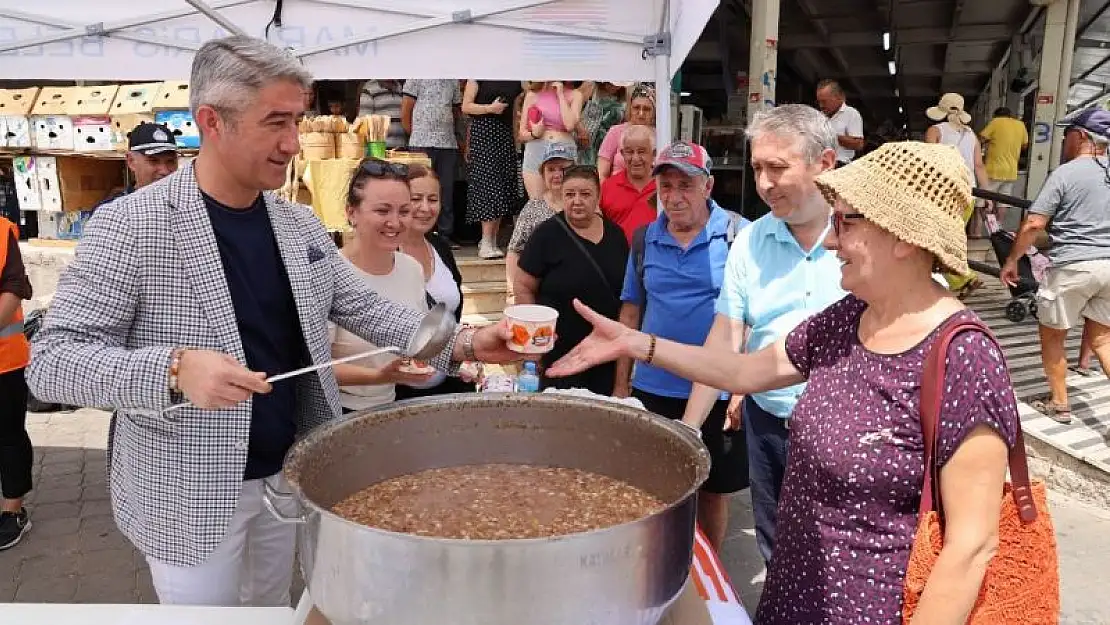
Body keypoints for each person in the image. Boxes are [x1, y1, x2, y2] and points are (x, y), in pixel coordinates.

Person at [25, 36, 520, 607]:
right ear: (213, 122)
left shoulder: (298, 225)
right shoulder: (131, 225)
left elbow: (366, 306)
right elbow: (54, 362)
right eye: (276, 123)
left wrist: (468, 340)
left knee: (271, 608)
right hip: (190, 494)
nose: (293, 143)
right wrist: (174, 368)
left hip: (288, 475)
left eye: (299, 119)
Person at [549, 141, 1020, 624]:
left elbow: (971, 546)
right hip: (793, 598)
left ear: (902, 236)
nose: (832, 241)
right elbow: (742, 370)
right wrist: (638, 343)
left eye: (846, 222)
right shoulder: (846, 319)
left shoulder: (965, 357)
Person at [681, 104, 845, 563]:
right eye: (757, 168)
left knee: (840, 558)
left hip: (846, 433)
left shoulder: (864, 236)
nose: (764, 183)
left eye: (778, 167)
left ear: (825, 163)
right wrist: (689, 429)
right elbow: (724, 341)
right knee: (776, 549)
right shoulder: (750, 242)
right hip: (768, 427)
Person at [612, 140, 749, 551]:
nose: (673, 197)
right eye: (666, 186)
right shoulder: (643, 239)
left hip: (719, 386)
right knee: (656, 484)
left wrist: (742, 387)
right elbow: (631, 314)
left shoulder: (737, 235)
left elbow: (752, 318)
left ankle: (711, 576)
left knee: (713, 489)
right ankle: (660, 560)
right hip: (655, 386)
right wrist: (622, 385)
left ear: (708, 186)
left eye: (685, 185)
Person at [1002, 107, 1110, 424]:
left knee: (1053, 337)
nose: (1063, 140)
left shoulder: (1065, 173)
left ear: (1081, 137)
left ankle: (1059, 403)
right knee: (1103, 340)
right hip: (1109, 266)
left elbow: (1034, 222)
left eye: (1067, 134)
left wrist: (1012, 259)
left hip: (1073, 267)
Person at [330, 159, 437, 414]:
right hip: (338, 412)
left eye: (403, 211)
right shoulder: (330, 273)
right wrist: (379, 376)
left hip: (392, 406)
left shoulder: (411, 269)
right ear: (351, 213)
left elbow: (417, 341)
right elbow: (313, 368)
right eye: (382, 211)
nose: (395, 222)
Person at [515, 166, 628, 394]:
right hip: (558, 353)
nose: (577, 201)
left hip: (606, 352)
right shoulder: (546, 235)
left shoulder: (616, 235)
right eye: (570, 194)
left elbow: (627, 297)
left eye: (585, 194)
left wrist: (622, 378)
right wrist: (533, 344)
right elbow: (523, 287)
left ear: (598, 196)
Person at [396, 166, 475, 398]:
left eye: (433, 199)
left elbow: (453, 314)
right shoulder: (384, 254)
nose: (425, 208)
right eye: (416, 199)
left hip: (445, 383)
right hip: (395, 389)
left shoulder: (440, 248)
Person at [925, 92, 992, 296]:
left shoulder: (935, 130)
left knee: (937, 239)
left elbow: (930, 164)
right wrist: (987, 195)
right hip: (968, 193)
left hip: (944, 192)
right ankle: (961, 280)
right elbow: (979, 166)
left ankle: (965, 277)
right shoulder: (971, 135)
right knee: (952, 237)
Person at [505, 142, 577, 303]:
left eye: (563, 169)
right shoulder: (533, 208)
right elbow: (515, 250)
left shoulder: (583, 206)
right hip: (538, 295)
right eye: (551, 169)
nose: (557, 174)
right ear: (543, 175)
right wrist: (512, 290)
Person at [462, 79, 524, 259]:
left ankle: (491, 240)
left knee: (503, 187)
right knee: (489, 185)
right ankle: (486, 240)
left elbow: (512, 113)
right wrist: (489, 108)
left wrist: (515, 140)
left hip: (504, 135)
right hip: (484, 132)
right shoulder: (478, 75)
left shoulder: (515, 80)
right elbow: (466, 106)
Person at [0, 215, 33, 551]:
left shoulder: (1, 231)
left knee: (7, 436)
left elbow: (13, 288)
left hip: (4, 361)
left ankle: (13, 510)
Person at [402, 79, 463, 246]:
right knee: (418, 187)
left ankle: (444, 236)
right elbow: (406, 109)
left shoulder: (453, 80)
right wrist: (415, 134)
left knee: (445, 189)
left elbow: (456, 110)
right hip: (421, 142)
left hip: (447, 143)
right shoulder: (415, 75)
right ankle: (419, 233)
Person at [518, 81, 584, 199]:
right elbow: (521, 134)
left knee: (565, 198)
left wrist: (560, 94)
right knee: (537, 201)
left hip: (564, 151)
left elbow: (570, 125)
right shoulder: (532, 94)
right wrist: (534, 133)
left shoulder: (576, 94)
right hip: (537, 149)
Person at [599, 124, 657, 244]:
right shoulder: (608, 187)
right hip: (617, 257)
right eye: (629, 152)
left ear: (654, 154)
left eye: (641, 152)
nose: (635, 158)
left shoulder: (664, 186)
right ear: (622, 153)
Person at [98, 122, 180, 206]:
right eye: (154, 161)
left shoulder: (187, 205)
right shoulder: (114, 211)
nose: (164, 171)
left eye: (171, 161)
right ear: (131, 161)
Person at [979, 106, 1029, 228]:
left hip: (994, 169)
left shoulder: (996, 122)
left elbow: (981, 138)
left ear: (996, 116)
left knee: (983, 200)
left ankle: (979, 230)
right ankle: (998, 229)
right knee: (1003, 202)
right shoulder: (1020, 125)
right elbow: (1025, 146)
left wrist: (988, 143)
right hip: (1011, 172)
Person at [598, 84, 656, 182]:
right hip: (617, 191)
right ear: (630, 108)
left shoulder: (661, 135)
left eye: (646, 109)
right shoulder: (615, 132)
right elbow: (602, 172)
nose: (641, 113)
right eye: (636, 108)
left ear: (654, 112)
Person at [580, 81, 631, 166]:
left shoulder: (625, 94)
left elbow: (627, 121)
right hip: (587, 141)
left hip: (609, 145)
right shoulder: (591, 86)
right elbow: (574, 111)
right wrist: (580, 130)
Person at [815, 79, 864, 166]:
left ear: (838, 98)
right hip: (821, 165)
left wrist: (831, 135)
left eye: (824, 101)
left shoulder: (851, 113)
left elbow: (859, 145)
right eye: (819, 102)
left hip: (841, 166)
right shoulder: (819, 117)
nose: (821, 106)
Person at [358, 79, 407, 150]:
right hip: (380, 151)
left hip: (401, 149)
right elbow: (364, 124)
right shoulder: (369, 88)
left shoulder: (399, 87)